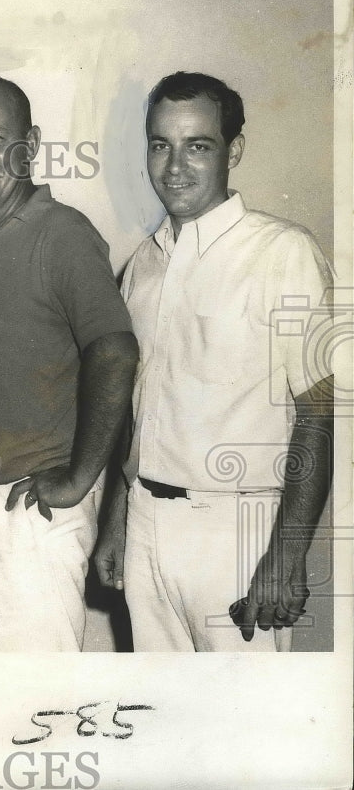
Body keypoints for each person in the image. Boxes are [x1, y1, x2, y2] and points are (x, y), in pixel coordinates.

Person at [94, 71, 334, 652]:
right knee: (164, 716)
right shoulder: (142, 266)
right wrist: (117, 521)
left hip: (237, 535)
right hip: (148, 528)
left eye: (197, 145)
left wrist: (286, 552)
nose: (174, 167)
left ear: (234, 150)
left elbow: (319, 413)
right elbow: (138, 410)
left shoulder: (283, 251)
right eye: (160, 145)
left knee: (241, 728)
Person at [0, 75, 139, 652]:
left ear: (32, 143)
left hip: (23, 514)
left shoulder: (62, 232)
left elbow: (116, 351)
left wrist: (78, 478)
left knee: (38, 706)